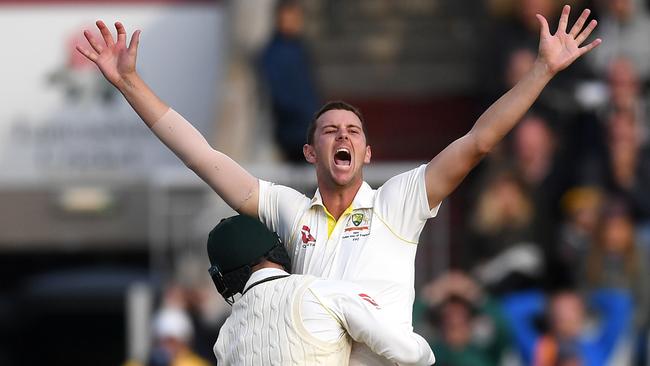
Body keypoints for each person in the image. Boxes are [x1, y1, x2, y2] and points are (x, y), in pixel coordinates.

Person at [76, 6, 601, 364]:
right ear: (311, 153)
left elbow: (478, 142)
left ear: (368, 154)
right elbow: (203, 158)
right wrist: (130, 83)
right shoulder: (288, 211)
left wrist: (541, 71)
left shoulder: (399, 200)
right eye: (330, 131)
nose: (342, 136)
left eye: (353, 131)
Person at [207, 215, 435, 365]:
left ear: (224, 278)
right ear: (276, 248)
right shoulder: (321, 291)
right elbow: (409, 353)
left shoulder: (225, 338)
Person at [502, 288, 632, 366]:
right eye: (560, 312)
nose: (566, 316)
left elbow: (621, 304)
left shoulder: (595, 349)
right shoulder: (538, 349)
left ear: (581, 316)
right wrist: (544, 301)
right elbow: (510, 311)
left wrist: (588, 297)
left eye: (572, 311)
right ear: (551, 317)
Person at [259, 0, 320, 163]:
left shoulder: (300, 48)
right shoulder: (274, 52)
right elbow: (280, 95)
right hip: (292, 132)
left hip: (308, 127)